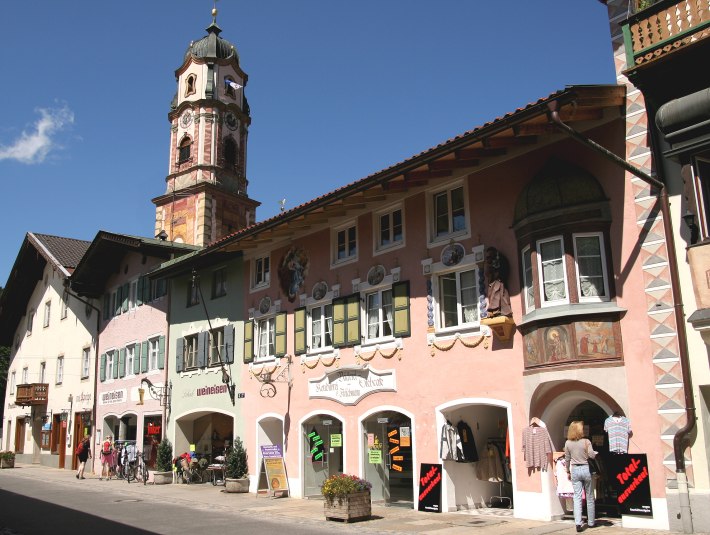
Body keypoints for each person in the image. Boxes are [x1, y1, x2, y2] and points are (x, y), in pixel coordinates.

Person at [564, 421, 598, 532]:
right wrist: (595, 453)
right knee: (589, 496)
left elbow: (567, 458)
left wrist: (567, 471)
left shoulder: (568, 443)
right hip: (586, 468)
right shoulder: (586, 441)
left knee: (577, 497)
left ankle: (578, 523)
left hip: (575, 469)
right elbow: (591, 455)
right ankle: (591, 522)